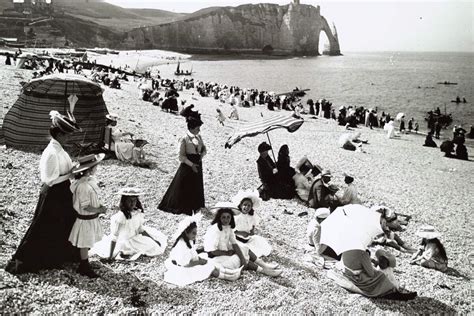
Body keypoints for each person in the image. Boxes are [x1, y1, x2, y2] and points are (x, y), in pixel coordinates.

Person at [5, 111, 81, 274]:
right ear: (59, 134)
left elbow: (63, 172)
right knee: (43, 226)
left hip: (62, 191)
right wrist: (71, 174)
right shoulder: (51, 152)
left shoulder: (60, 149)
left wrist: (74, 170)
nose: (69, 138)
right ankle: (25, 261)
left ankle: (56, 257)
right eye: (67, 135)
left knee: (62, 223)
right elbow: (50, 179)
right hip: (52, 193)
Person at [203, 203, 282, 277]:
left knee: (244, 248)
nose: (226, 220)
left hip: (226, 251)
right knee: (238, 258)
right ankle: (263, 271)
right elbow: (212, 251)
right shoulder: (215, 230)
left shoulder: (228, 227)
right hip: (216, 257)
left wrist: (242, 258)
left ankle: (264, 266)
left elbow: (234, 243)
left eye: (228, 217)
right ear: (219, 218)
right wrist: (228, 253)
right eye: (223, 217)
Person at [90, 188, 167, 261]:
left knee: (155, 245)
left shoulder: (137, 213)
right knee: (147, 248)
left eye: (134, 201)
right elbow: (114, 237)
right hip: (125, 241)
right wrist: (110, 256)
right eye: (129, 201)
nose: (132, 203)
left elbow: (140, 230)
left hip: (136, 238)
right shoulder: (120, 217)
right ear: (124, 202)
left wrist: (153, 239)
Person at [164, 214, 241, 286]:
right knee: (207, 268)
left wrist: (199, 259)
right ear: (186, 233)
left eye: (196, 233)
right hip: (184, 268)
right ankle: (228, 277)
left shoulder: (188, 240)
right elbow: (186, 264)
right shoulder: (181, 245)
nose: (195, 235)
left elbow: (192, 254)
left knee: (209, 262)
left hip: (191, 262)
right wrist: (199, 262)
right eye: (193, 233)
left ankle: (229, 272)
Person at [159, 116, 206, 215]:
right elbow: (181, 156)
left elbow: (204, 149)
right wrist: (191, 164)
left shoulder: (199, 137)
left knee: (196, 185)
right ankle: (185, 205)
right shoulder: (184, 139)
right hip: (187, 165)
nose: (199, 130)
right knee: (185, 186)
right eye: (197, 128)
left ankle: (195, 205)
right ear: (192, 128)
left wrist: (201, 156)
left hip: (197, 163)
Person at [68, 154, 106, 278]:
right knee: (84, 243)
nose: (97, 169)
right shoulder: (83, 186)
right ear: (89, 169)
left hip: (91, 218)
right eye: (95, 167)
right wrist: (99, 209)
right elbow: (85, 206)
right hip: (85, 219)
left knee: (88, 240)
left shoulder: (88, 182)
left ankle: (84, 261)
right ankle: (83, 266)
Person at [231, 190, 273, 258]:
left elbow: (253, 224)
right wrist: (241, 233)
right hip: (237, 239)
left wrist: (252, 230)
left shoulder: (251, 216)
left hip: (248, 239)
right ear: (241, 205)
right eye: (245, 205)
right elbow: (232, 231)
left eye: (249, 206)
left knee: (260, 245)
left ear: (251, 207)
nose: (246, 207)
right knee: (243, 250)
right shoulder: (237, 217)